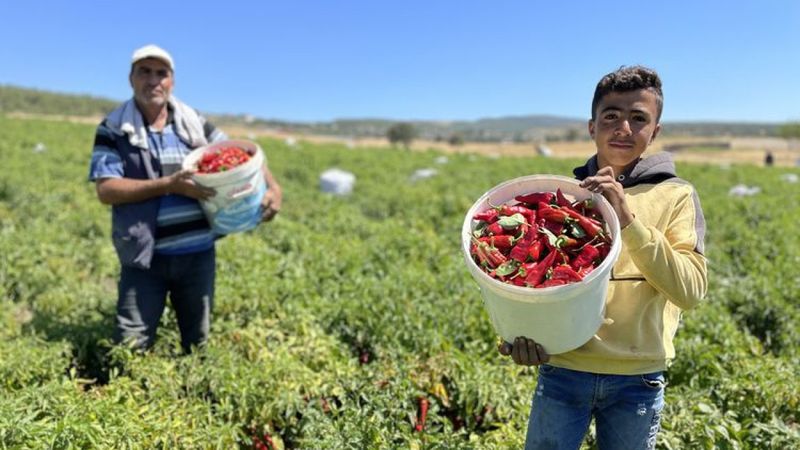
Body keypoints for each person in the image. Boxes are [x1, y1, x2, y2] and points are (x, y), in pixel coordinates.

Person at [499, 65, 708, 449]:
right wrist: (523, 332)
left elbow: (691, 291)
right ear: (592, 126)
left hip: (637, 380)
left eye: (638, 118)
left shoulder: (676, 196)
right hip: (565, 370)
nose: (624, 128)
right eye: (611, 116)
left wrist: (628, 219)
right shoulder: (564, 197)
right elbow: (535, 282)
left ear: (655, 131)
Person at [88, 44, 282, 353]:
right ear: (131, 79)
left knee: (198, 343)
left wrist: (273, 188)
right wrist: (169, 185)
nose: (153, 81)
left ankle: (194, 392)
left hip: (197, 254)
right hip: (145, 258)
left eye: (161, 73)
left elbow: (240, 153)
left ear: (172, 82)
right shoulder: (113, 129)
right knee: (131, 343)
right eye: (144, 72)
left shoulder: (193, 122)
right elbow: (106, 189)